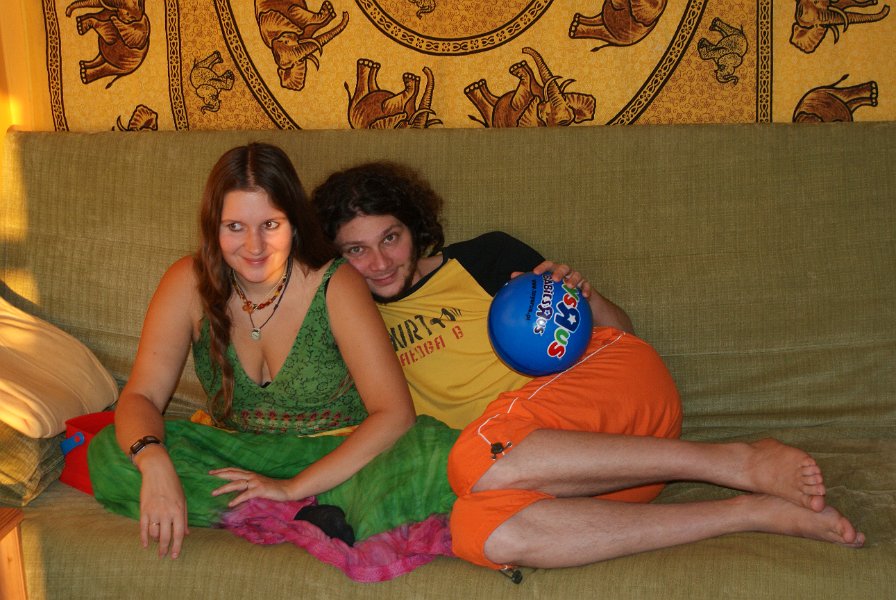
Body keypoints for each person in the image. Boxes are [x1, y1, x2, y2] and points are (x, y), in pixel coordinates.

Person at [312, 161, 865, 573]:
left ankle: (734, 460)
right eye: (356, 250)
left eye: (390, 238)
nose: (380, 262)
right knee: (478, 530)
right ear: (335, 258)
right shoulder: (351, 325)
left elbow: (623, 335)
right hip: (585, 478)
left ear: (414, 227)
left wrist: (587, 298)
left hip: (619, 391)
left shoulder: (484, 258)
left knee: (476, 456)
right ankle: (747, 513)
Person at [90, 144, 456, 561]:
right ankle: (303, 517)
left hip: (336, 459)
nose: (254, 246)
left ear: (294, 223)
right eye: (235, 227)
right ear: (212, 227)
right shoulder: (186, 282)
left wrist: (291, 487)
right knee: (111, 452)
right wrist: (153, 461)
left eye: (270, 224)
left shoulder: (336, 284)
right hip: (236, 455)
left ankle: (288, 507)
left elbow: (394, 414)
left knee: (438, 460)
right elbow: (142, 396)